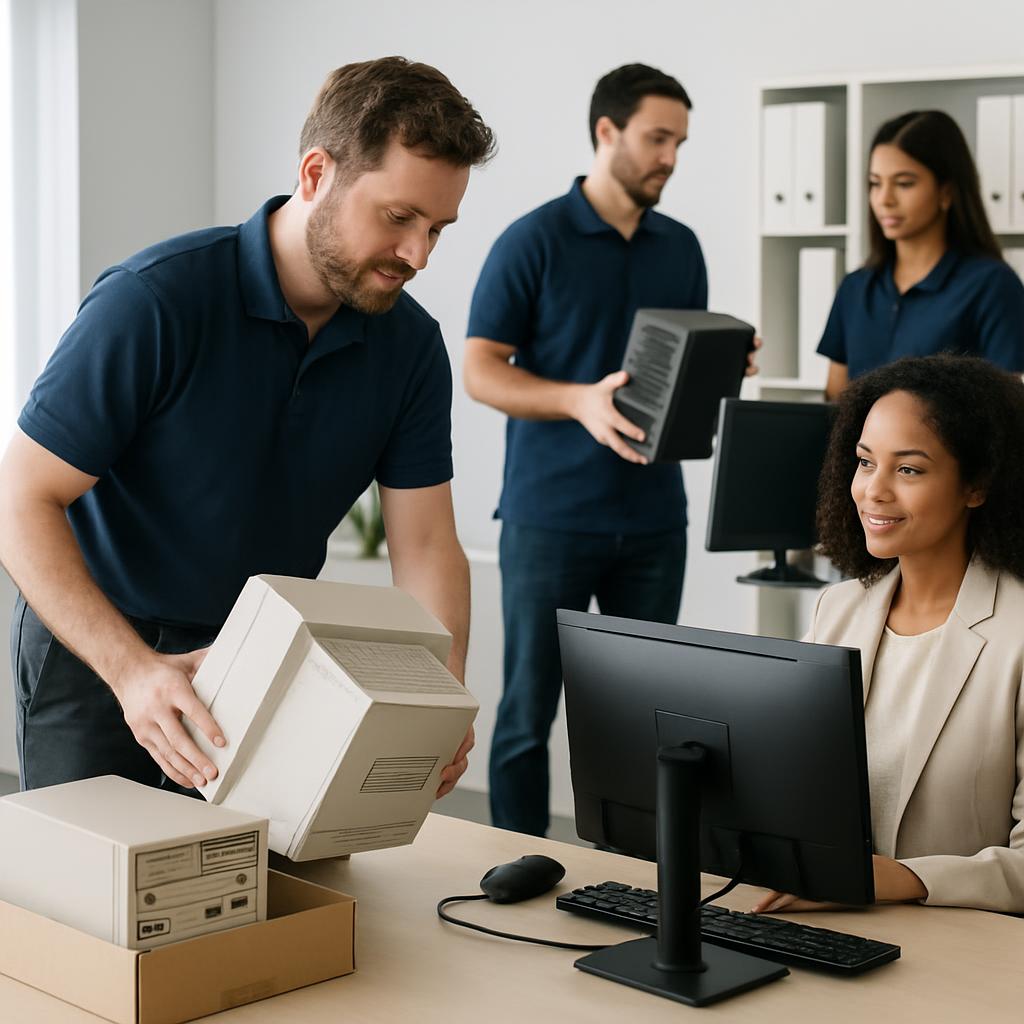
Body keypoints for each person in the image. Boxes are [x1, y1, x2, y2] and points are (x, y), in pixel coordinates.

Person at [0, 57, 494, 797]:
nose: (417, 255)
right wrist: (133, 673)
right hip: (99, 653)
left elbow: (424, 543)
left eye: (437, 229)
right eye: (398, 218)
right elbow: (19, 499)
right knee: (94, 904)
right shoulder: (155, 302)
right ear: (316, 174)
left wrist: (441, 695)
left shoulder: (410, 347)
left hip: (268, 658)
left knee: (262, 899)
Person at [464, 63, 755, 836]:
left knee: (650, 722)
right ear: (606, 132)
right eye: (658, 138)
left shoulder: (681, 247)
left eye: (680, 143)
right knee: (529, 712)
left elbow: (673, 372)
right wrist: (575, 401)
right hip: (550, 519)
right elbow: (480, 370)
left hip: (657, 521)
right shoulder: (531, 240)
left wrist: (724, 364)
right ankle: (516, 869)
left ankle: (632, 876)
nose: (670, 157)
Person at [753, 354, 1024, 914]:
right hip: (829, 927)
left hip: (964, 954)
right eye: (864, 462)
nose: (873, 491)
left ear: (976, 486)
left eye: (909, 469)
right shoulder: (840, 609)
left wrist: (897, 878)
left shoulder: (1016, 632)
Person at [818, 110, 1024, 401]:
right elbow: (835, 404)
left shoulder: (993, 285)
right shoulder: (855, 287)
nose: (884, 199)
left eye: (904, 183)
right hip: (856, 449)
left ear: (946, 192)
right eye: (875, 183)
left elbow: (1007, 414)